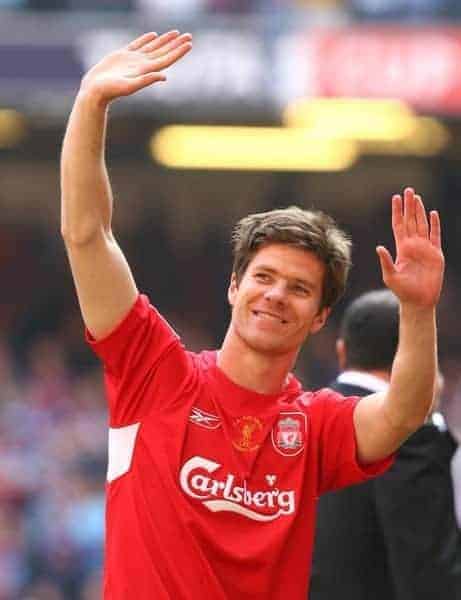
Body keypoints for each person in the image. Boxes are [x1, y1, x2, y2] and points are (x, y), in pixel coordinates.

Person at [60, 30, 445, 599]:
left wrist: (417, 308)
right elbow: (87, 234)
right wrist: (90, 104)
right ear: (234, 286)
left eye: (298, 288)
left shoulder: (315, 424)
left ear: (320, 318)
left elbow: (405, 411)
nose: (275, 295)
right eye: (263, 278)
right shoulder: (155, 373)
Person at [310, 289, 461, 600]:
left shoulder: (305, 418)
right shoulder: (411, 433)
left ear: (342, 352)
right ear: (415, 359)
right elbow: (428, 572)